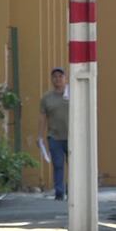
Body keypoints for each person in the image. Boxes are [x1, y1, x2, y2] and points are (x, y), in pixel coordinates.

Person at [39, 67, 69, 201]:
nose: (58, 79)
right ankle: (59, 191)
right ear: (52, 79)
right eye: (55, 77)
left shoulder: (71, 94)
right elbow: (43, 117)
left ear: (65, 78)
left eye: (60, 76)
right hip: (54, 136)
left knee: (74, 165)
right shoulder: (47, 98)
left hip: (72, 136)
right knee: (58, 164)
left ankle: (73, 190)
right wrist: (40, 135)